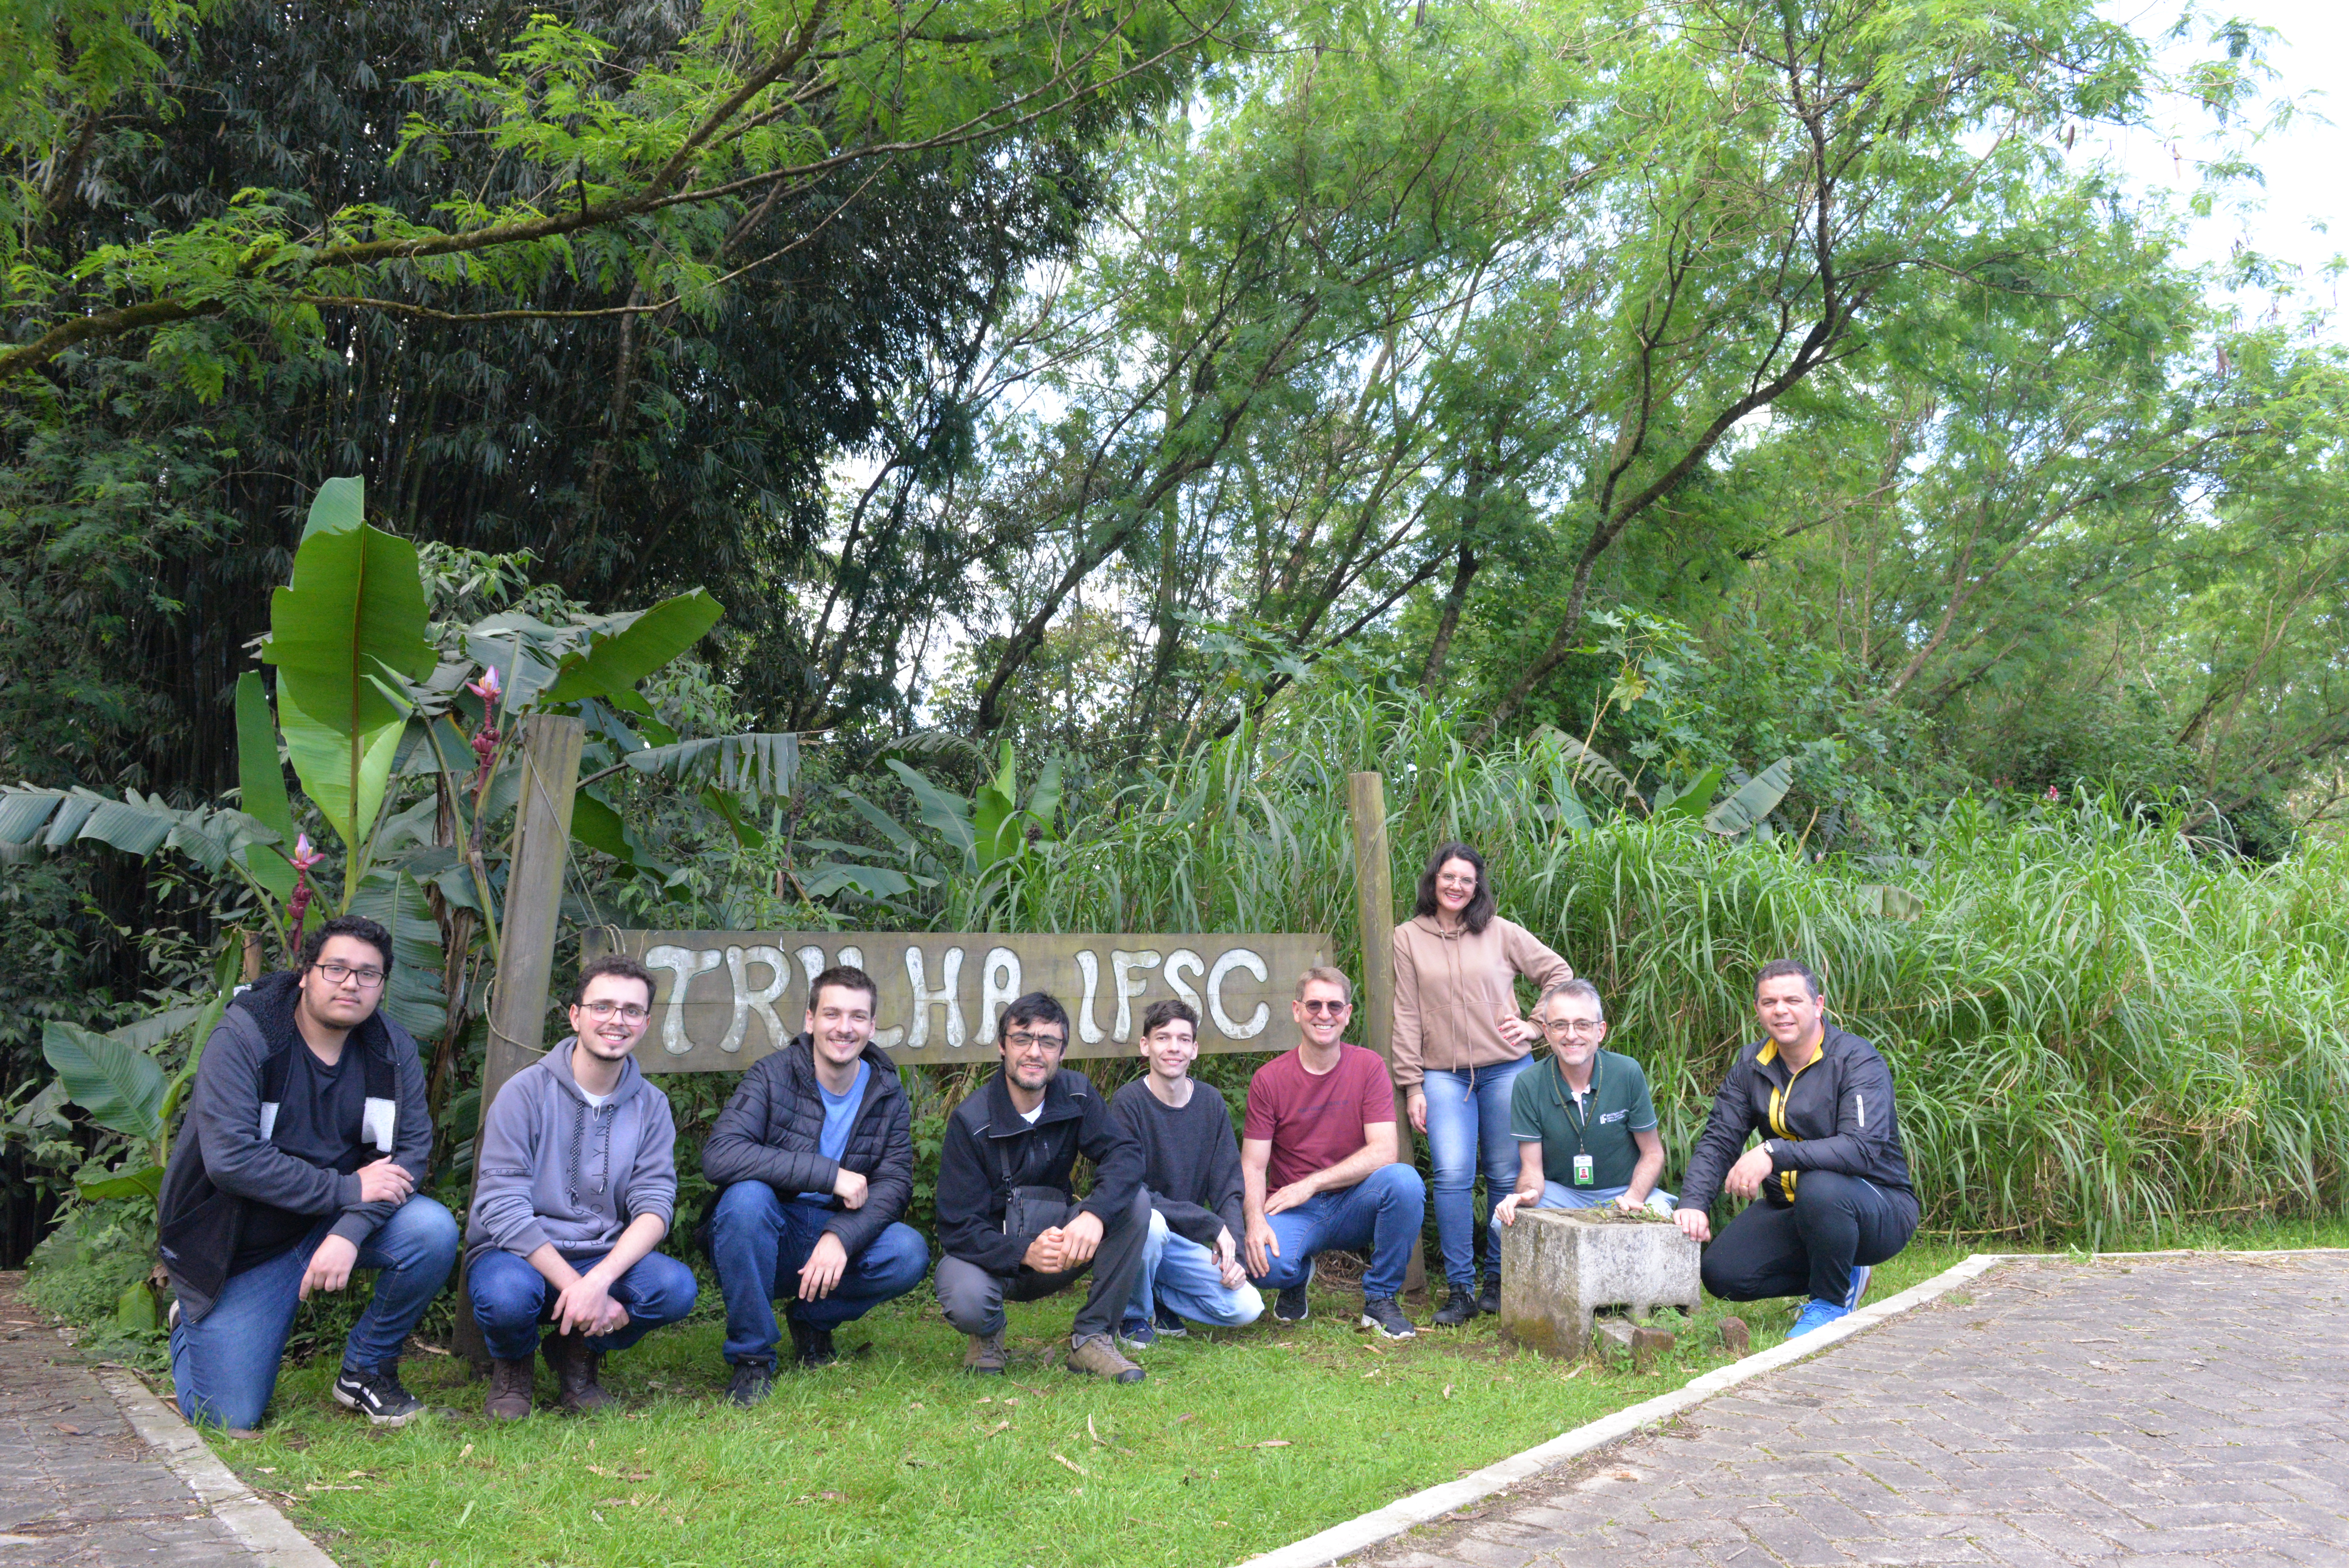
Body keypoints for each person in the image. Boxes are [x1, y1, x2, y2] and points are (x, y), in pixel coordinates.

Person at [159, 916, 457, 1431]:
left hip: (331, 1223)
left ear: (381, 986)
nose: (351, 983)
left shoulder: (391, 1048)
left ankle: (367, 1370)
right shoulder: (247, 1035)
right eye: (336, 968)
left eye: (369, 974)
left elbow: (408, 1156)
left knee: (431, 1229)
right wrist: (346, 1188)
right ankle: (191, 1317)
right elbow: (231, 1160)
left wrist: (349, 1229)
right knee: (229, 1415)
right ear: (305, 974)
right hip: (242, 1246)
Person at [465, 954, 699, 1418]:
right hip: (516, 1252)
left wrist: (601, 1278)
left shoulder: (652, 1106)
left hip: (599, 1251)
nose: (617, 1020)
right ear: (576, 1015)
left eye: (632, 1010)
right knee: (507, 1297)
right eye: (603, 1006)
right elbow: (501, 1206)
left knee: (674, 1287)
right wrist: (580, 1286)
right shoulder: (524, 1093)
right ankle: (514, 1364)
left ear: (646, 1023)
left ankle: (577, 1353)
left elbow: (655, 1204)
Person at [703, 964, 929, 1405]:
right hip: (769, 1229)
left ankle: (812, 1317)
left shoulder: (886, 1089)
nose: (844, 1028)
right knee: (745, 1198)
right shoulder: (772, 1074)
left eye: (857, 1016)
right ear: (810, 1020)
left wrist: (840, 1237)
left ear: (872, 1025)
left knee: (908, 1252)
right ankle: (751, 1358)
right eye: (832, 1014)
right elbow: (720, 1155)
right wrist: (828, 1174)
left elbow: (896, 1181)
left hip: (833, 1232)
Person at [1674, 960, 1919, 1338]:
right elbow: (1719, 1139)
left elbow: (1860, 1149)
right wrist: (1692, 1201)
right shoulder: (1750, 1064)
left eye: (1793, 999)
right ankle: (1841, 1265)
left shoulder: (1857, 1060)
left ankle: (1830, 1302)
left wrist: (1772, 1152)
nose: (1780, 1010)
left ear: (1818, 1005)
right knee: (1722, 1273)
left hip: (1878, 1205)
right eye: (1769, 1001)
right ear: (1757, 1008)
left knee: (1820, 1184)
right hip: (1792, 1206)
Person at [1392, 841, 1574, 1324]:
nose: (1456, 886)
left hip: (1506, 1068)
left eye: (1466, 880)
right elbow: (1406, 1012)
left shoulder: (1500, 932)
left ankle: (1497, 1280)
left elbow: (1557, 972)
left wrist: (1537, 1025)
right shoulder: (1407, 937)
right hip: (1442, 1074)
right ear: (1433, 880)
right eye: (1448, 877)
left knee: (1502, 1173)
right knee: (1452, 1174)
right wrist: (1412, 1085)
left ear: (1477, 888)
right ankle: (1459, 1288)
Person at [932, 992, 1153, 1383]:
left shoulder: (1077, 1093)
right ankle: (986, 1336)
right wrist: (1023, 1252)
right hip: (993, 1260)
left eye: (1048, 1042)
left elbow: (1126, 1153)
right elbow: (956, 1226)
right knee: (964, 1293)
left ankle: (1092, 1337)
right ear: (1003, 1046)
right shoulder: (971, 1121)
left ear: (1061, 1051)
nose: (1035, 1052)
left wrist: (1094, 1213)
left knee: (1135, 1203)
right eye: (1023, 1039)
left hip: (1060, 1248)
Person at [1241, 967, 1427, 1340]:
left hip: (1353, 1201)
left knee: (1405, 1182)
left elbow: (1384, 1151)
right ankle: (1295, 1277)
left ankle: (1380, 1299)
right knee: (1263, 1268)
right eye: (1313, 1005)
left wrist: (1311, 1184)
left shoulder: (1369, 1066)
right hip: (1294, 1209)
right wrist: (1255, 1221)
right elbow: (1253, 1164)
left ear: (1347, 1014)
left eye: (1334, 1006)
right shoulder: (1269, 1079)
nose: (1323, 1014)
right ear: (1296, 1011)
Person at [1109, 998, 1264, 1349]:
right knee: (1151, 1223)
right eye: (1163, 1038)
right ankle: (1132, 1314)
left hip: (1184, 1245)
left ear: (1195, 1050)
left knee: (1247, 1307)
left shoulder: (1210, 1102)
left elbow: (1228, 1187)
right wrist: (1210, 1224)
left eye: (1183, 1039)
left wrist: (1235, 1254)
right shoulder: (1128, 1104)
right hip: (1136, 1236)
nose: (1173, 1048)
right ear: (1145, 1046)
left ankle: (1160, 1298)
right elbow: (1132, 1192)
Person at [1490, 979, 1674, 1263]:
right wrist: (1525, 1196)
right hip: (1563, 1194)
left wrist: (1634, 1197)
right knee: (1505, 1220)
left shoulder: (1627, 1072)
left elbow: (1652, 1153)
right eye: (1560, 1025)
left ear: (1600, 1031)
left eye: (1582, 1025)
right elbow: (1532, 1170)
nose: (1571, 1035)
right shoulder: (1529, 1082)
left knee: (1661, 1216)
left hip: (1624, 1191)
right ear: (1548, 1033)